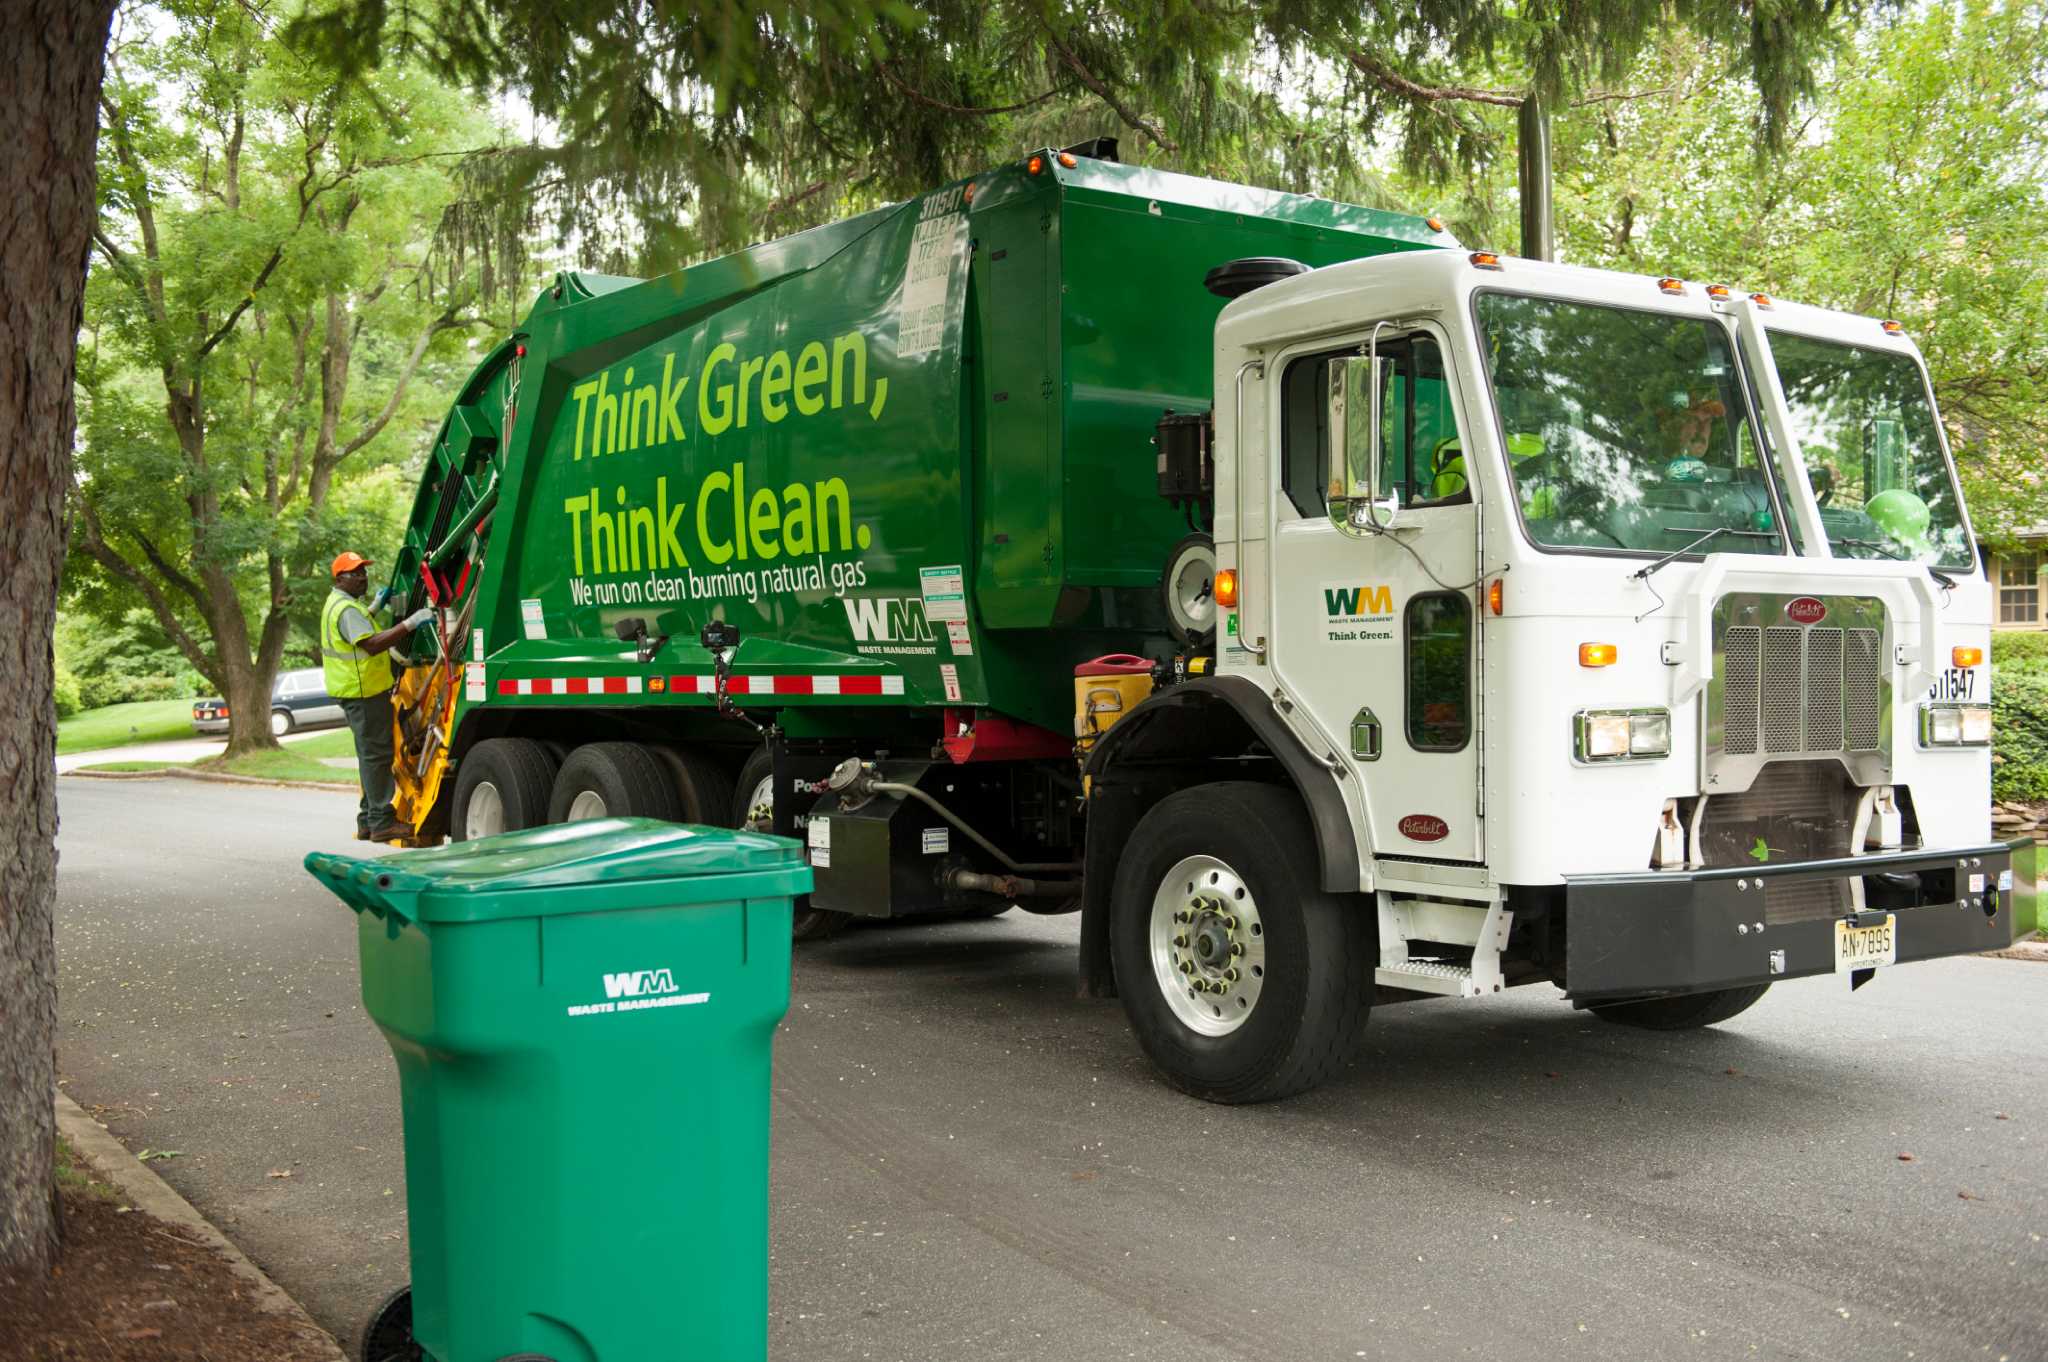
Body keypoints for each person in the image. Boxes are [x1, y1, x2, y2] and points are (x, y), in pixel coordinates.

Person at [322, 552, 433, 842]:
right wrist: (410, 624)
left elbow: (357, 630)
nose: (362, 577)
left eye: (363, 571)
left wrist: (373, 608)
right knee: (376, 756)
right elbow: (371, 644)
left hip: (356, 692)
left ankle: (367, 821)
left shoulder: (343, 605)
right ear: (339, 578)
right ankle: (382, 821)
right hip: (363, 693)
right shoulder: (346, 609)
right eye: (354, 573)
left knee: (369, 756)